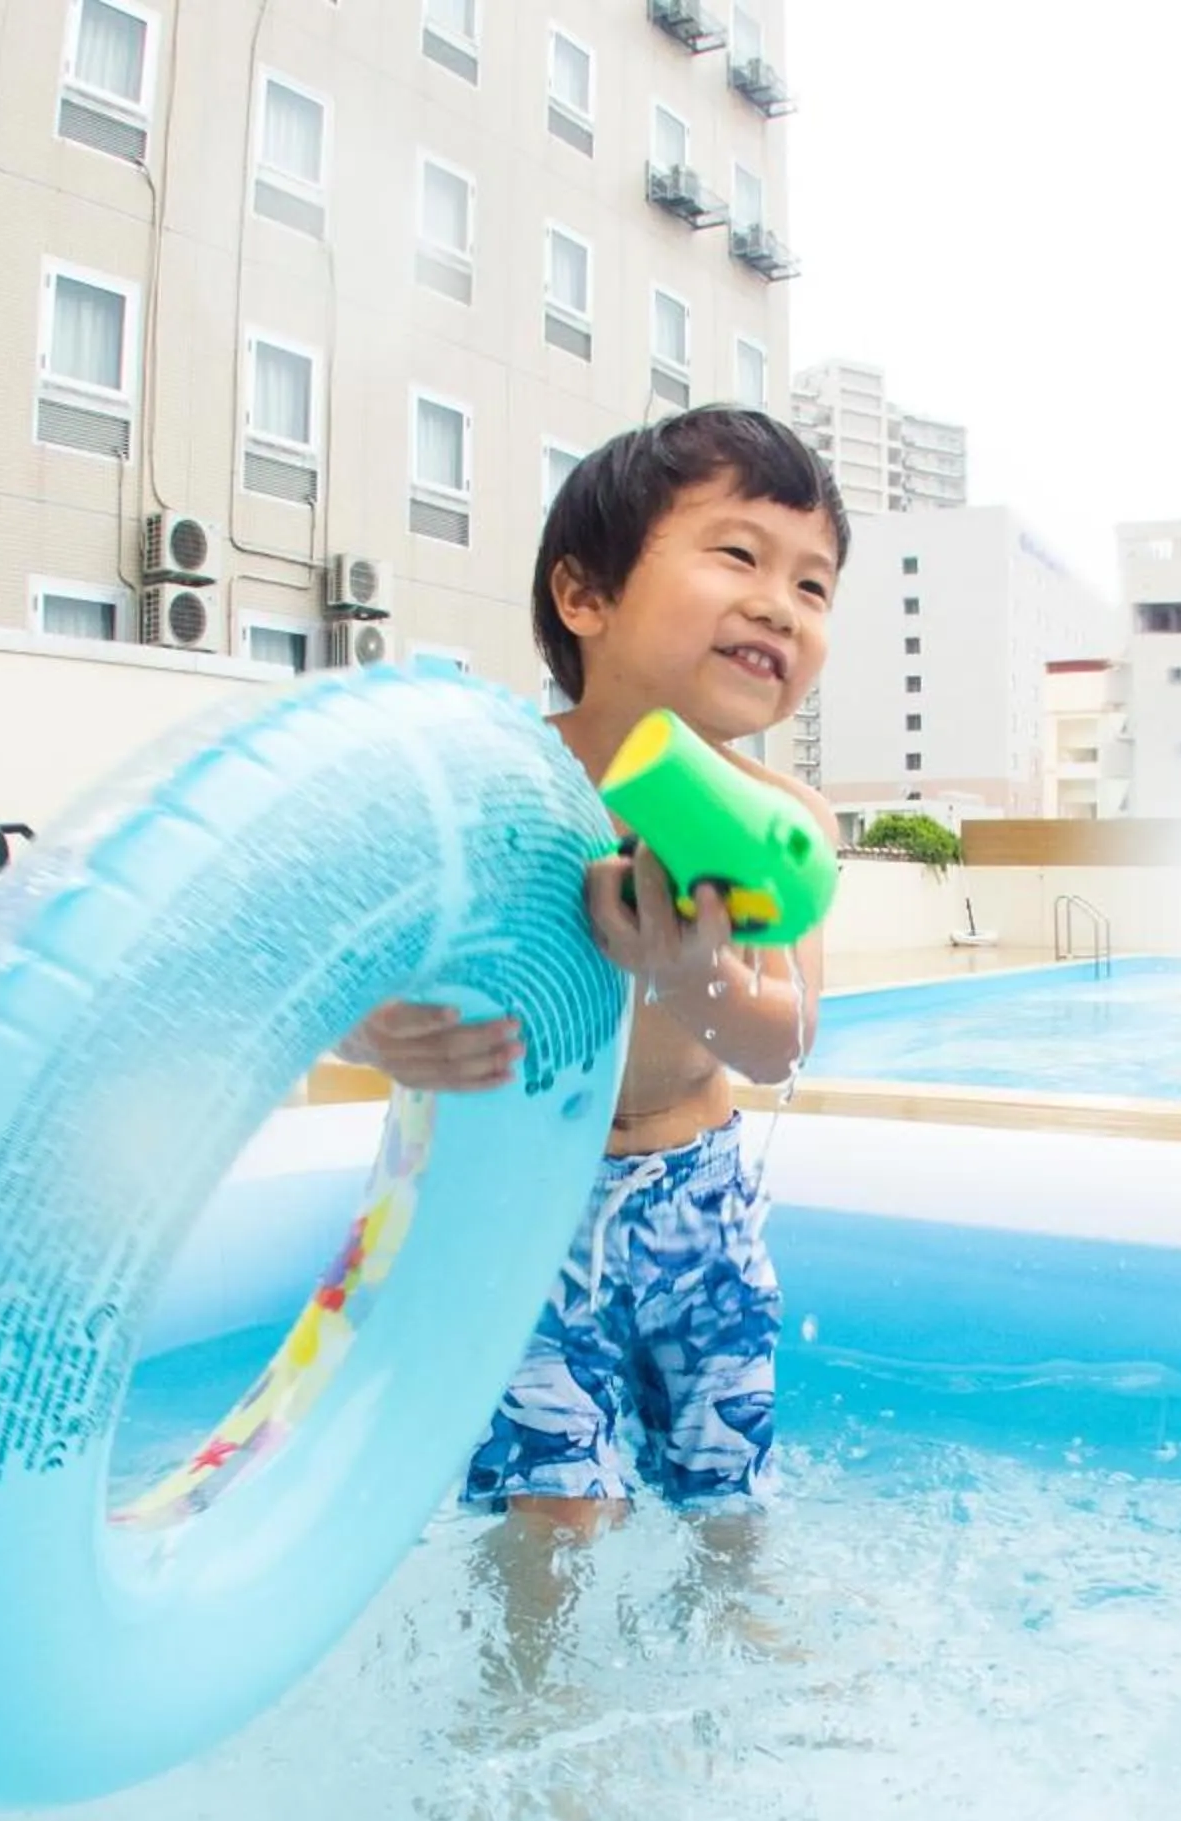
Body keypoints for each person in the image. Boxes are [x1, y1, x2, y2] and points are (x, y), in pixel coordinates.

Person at [340, 407, 846, 1538]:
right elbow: (334, 976)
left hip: (698, 1204)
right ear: (586, 597)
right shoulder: (489, 787)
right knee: (553, 1514)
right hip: (518, 1200)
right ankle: (532, 1702)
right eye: (738, 555)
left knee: (729, 1501)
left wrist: (689, 976)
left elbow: (786, 1044)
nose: (781, 603)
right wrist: (370, 1032)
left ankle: (739, 1666)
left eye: (814, 587)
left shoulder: (781, 824)